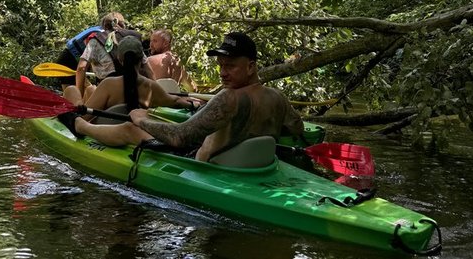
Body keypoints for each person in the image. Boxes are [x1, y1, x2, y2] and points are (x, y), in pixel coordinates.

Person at [66, 31, 304, 162]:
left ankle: (80, 126)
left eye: (230, 66)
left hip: (201, 161)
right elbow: (297, 129)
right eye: (221, 65)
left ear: (251, 67)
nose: (223, 72)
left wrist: (139, 119)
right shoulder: (278, 98)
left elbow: (179, 138)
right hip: (250, 166)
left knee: (132, 127)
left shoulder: (227, 98)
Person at [60, 35, 197, 116]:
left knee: (71, 90)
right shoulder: (151, 87)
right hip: (128, 129)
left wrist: (79, 105)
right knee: (89, 90)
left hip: (106, 131)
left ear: (120, 59)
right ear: (142, 60)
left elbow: (86, 118)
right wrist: (195, 105)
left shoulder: (108, 85)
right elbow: (175, 101)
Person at [71, 11, 150, 100]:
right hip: (137, 92)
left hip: (109, 95)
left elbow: (81, 68)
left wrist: (80, 97)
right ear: (123, 24)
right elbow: (148, 69)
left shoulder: (95, 42)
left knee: (77, 90)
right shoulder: (132, 40)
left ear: (104, 26)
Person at [147, 28, 198, 92]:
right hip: (172, 100)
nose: (150, 45)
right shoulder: (178, 63)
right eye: (150, 41)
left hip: (154, 100)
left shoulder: (150, 61)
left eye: (155, 41)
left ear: (165, 43)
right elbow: (193, 88)